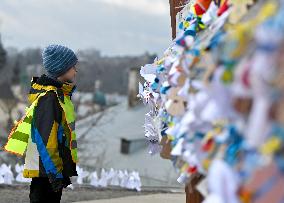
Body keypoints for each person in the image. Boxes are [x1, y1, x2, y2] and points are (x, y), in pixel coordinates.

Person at [4, 44, 79, 203]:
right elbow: (46, 140)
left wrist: (62, 170)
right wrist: (54, 174)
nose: (75, 70)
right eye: (73, 66)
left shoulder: (57, 96)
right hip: (46, 173)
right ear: (61, 69)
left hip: (49, 170)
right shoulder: (49, 98)